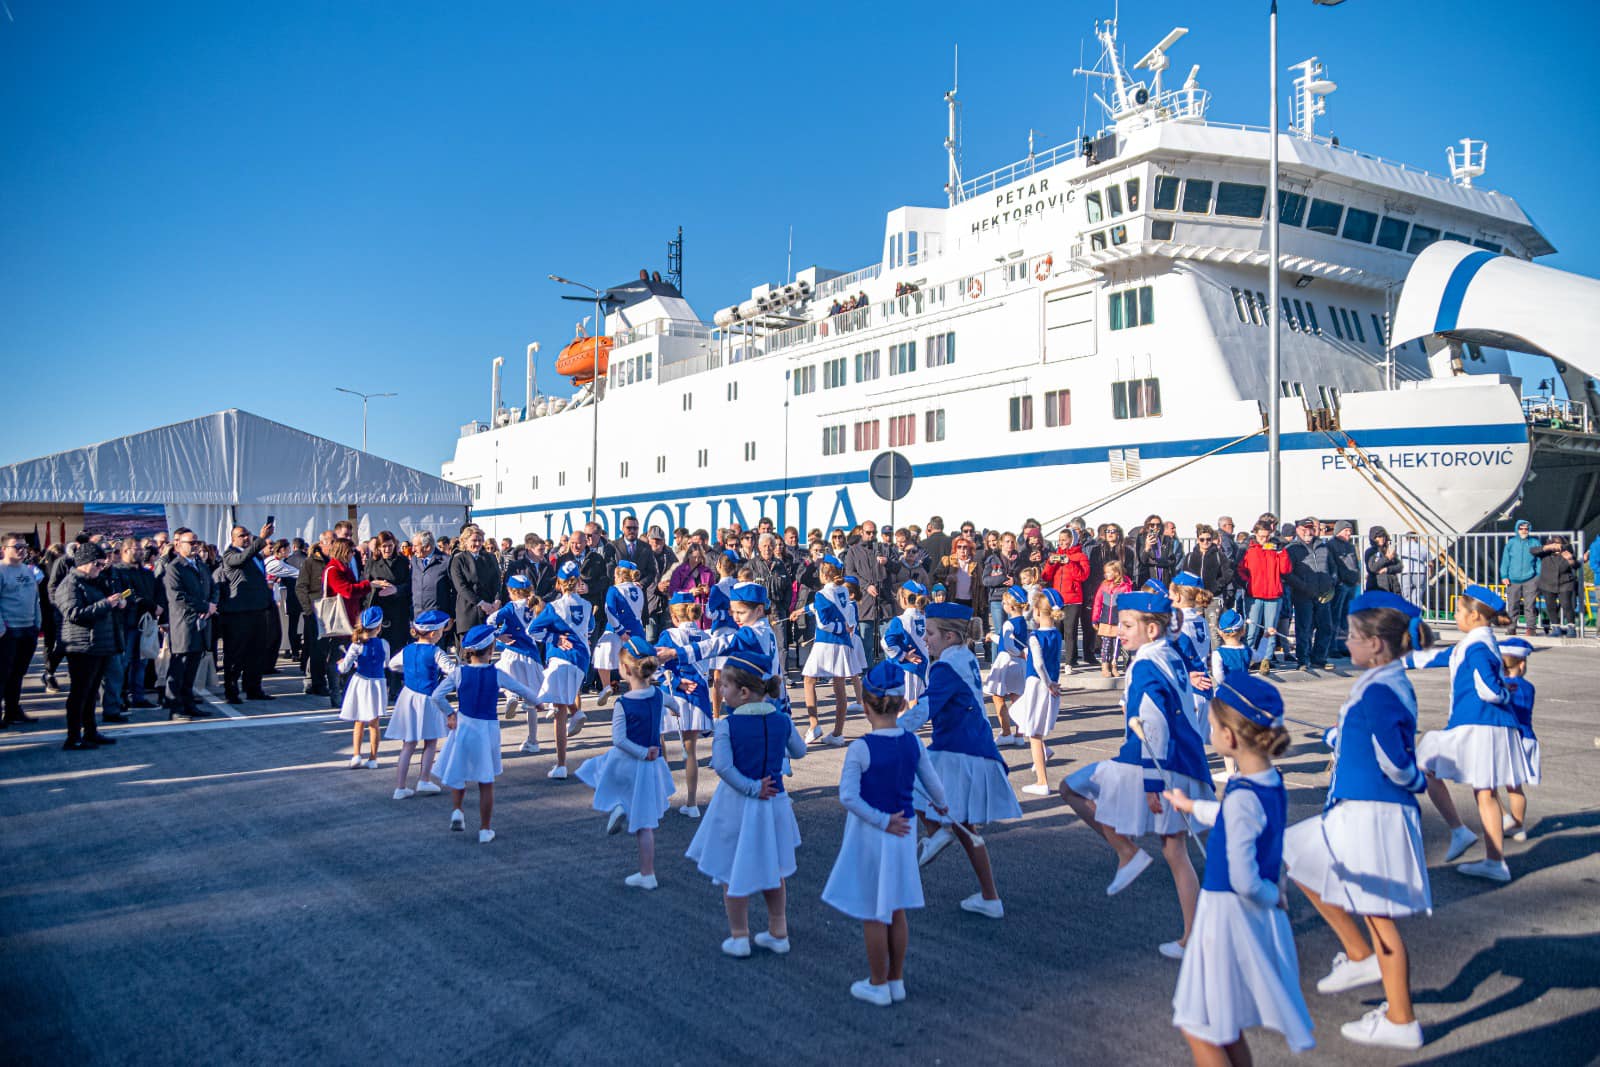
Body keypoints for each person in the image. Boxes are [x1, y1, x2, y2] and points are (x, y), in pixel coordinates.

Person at [1284, 591, 1431, 1052]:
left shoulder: (1382, 687)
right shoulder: (1382, 680)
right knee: (1297, 855)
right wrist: (1337, 735)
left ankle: (1399, 1015)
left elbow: (1394, 756)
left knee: (1378, 916)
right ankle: (1359, 955)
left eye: (1352, 636)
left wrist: (1412, 779)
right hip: (1361, 808)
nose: (1346, 643)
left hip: (1373, 812)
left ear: (1377, 645)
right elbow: (1368, 734)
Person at [1166, 673, 1314, 1062]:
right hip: (1237, 914)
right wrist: (1192, 807)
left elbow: (1245, 879)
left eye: (1213, 727)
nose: (1211, 732)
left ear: (1229, 738)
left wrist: (1272, 896)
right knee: (1223, 1024)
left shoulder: (1245, 794)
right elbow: (1236, 818)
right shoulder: (1267, 782)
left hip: (1227, 916)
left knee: (1200, 1025)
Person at [1059, 590, 1213, 958]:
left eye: (1127, 625)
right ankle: (1195, 935)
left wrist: (1153, 783)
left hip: (1151, 762)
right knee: (1178, 850)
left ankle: (1126, 851)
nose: (1119, 631)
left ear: (1154, 629)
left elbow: (1154, 725)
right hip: (1186, 759)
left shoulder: (1144, 664)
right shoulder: (1170, 654)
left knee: (1071, 788)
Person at [821, 660, 949, 1007]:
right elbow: (933, 784)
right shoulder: (912, 743)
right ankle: (896, 980)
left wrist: (880, 819)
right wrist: (942, 806)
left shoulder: (860, 748)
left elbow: (848, 796)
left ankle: (878, 982)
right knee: (896, 907)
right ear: (903, 704)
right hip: (904, 830)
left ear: (864, 705)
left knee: (874, 911)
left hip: (872, 834)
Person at [683, 636, 807, 958]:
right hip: (775, 802)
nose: (720, 691)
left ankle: (739, 935)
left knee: (730, 869)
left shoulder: (728, 725)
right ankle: (778, 930)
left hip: (739, 803)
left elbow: (722, 766)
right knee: (774, 868)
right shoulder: (781, 718)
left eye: (725, 686)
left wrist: (751, 787)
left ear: (743, 692)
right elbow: (800, 751)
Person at [900, 602, 1019, 918]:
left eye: (930, 633)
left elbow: (927, 707)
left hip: (957, 749)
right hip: (974, 746)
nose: (926, 640)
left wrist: (890, 730)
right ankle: (990, 897)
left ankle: (936, 833)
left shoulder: (945, 666)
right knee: (966, 827)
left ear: (950, 636)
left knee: (905, 776)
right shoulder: (965, 657)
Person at [1410, 584, 1531, 882]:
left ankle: (1459, 830)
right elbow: (1433, 658)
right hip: (1489, 726)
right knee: (1485, 791)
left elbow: (1490, 690)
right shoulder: (1478, 642)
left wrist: (1503, 693)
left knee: (1425, 764)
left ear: (1475, 615)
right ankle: (1494, 860)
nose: (1456, 615)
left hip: (1477, 724)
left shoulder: (1476, 646)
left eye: (1459, 610)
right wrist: (1394, 659)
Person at [576, 637, 676, 890]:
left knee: (599, 769)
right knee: (645, 822)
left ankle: (646, 873)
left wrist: (641, 752)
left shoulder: (624, 703)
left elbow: (619, 739)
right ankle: (645, 869)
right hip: (650, 766)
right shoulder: (658, 695)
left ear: (626, 670)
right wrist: (674, 709)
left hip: (631, 760)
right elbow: (674, 704)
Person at [428, 624, 542, 844]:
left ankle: (458, 810)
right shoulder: (497, 673)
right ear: (491, 650)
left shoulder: (459, 672)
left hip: (463, 726)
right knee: (485, 780)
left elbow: (436, 696)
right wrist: (537, 703)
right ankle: (485, 828)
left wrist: (450, 713)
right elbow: (521, 689)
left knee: (459, 770)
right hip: (486, 729)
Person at [53, 542, 128, 750]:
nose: (100, 567)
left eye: (103, 564)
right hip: (81, 646)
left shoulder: (96, 581)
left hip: (100, 644)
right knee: (80, 693)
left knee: (92, 691)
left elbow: (103, 606)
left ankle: (90, 730)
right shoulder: (70, 584)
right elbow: (73, 613)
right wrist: (106, 604)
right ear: (84, 563)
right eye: (97, 563)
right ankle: (73, 736)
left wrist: (118, 603)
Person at [527, 561, 593, 779]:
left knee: (558, 711)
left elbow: (533, 629)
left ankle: (561, 764)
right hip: (582, 659)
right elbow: (590, 627)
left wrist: (554, 637)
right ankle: (577, 712)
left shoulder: (553, 607)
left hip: (561, 658)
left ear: (559, 583)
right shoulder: (586, 604)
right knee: (564, 699)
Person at [384, 610, 454, 799]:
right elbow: (452, 671)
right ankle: (424, 780)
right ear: (433, 634)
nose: (441, 633)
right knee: (430, 741)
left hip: (408, 696)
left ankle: (400, 787)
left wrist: (408, 670)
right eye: (440, 630)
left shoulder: (407, 649)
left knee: (408, 743)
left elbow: (392, 664)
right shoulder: (436, 651)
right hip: (428, 697)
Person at [658, 592, 713, 818]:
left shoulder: (668, 635)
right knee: (690, 751)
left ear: (673, 615)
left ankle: (660, 796)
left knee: (659, 742)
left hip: (674, 694)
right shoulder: (705, 636)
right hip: (698, 696)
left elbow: (656, 666)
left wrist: (678, 682)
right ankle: (691, 803)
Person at [798, 555, 856, 746]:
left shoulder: (821, 594)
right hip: (843, 644)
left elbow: (823, 623)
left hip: (825, 642)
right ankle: (838, 733)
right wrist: (802, 610)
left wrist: (840, 628)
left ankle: (814, 724)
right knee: (839, 687)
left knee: (808, 680)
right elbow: (830, 608)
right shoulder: (844, 591)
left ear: (824, 574)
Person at [217, 522, 276, 704]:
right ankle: (231, 690)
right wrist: (261, 538)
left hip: (258, 610)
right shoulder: (230, 554)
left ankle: (253, 688)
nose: (245, 538)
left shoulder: (256, 557)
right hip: (238, 613)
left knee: (256, 651)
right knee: (235, 653)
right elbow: (241, 559)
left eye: (247, 535)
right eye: (241, 535)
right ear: (233, 538)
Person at [1015, 590, 1065, 797]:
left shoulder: (1035, 637)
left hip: (1038, 684)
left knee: (1033, 732)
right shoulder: (1056, 634)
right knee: (1017, 713)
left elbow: (1038, 663)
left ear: (1036, 611)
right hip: (1047, 682)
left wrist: (1049, 684)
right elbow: (1053, 659)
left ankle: (1042, 781)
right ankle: (1045, 752)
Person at [162, 528, 217, 719]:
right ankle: (175, 707)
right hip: (184, 623)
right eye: (190, 543)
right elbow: (178, 597)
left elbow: (213, 586)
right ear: (178, 545)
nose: (195, 546)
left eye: (196, 542)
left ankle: (188, 703)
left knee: (192, 666)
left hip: (200, 622)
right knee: (180, 666)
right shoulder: (175, 568)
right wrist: (204, 606)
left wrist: (212, 604)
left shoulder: (200, 565)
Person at [103, 538, 158, 721]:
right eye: (136, 549)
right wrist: (148, 604)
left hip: (145, 622)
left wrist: (157, 607)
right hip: (126, 623)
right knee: (123, 663)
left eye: (141, 549)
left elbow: (155, 591)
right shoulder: (119, 572)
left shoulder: (147, 573)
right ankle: (120, 697)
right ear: (125, 551)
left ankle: (139, 696)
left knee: (141, 661)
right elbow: (127, 594)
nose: (141, 552)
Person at [489, 575, 545, 738]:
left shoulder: (511, 607)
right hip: (531, 656)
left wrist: (498, 635)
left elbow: (490, 620)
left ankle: (511, 696)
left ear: (512, 592)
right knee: (530, 699)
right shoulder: (536, 605)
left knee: (502, 677)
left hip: (512, 651)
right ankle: (533, 740)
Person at [336, 606, 390, 769]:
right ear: (379, 627)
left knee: (359, 721)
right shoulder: (384, 643)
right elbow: (386, 663)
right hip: (377, 683)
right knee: (374, 723)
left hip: (360, 683)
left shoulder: (356, 645)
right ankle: (373, 758)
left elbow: (344, 667)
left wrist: (341, 664)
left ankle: (356, 755)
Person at [1236, 522, 1291, 674]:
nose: (1264, 540)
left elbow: (1285, 569)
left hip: (1273, 594)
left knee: (1270, 629)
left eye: (1267, 537)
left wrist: (1281, 552)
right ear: (1255, 534)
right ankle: (1246, 660)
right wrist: (1247, 583)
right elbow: (1240, 569)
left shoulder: (1273, 548)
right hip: (1254, 595)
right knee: (1252, 630)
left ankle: (1266, 660)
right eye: (1261, 536)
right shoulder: (1249, 549)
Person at [0, 533, 43, 726]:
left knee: (18, 674)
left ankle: (12, 710)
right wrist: (2, 629)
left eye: (24, 546)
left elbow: (35, 599)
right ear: (3, 550)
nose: (21, 550)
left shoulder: (27, 570)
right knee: (3, 674)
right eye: (16, 546)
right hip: (9, 630)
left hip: (28, 629)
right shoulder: (1, 570)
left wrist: (37, 623)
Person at [1497, 637, 1538, 839]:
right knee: (1515, 787)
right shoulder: (1529, 687)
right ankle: (1518, 825)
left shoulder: (1500, 687)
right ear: (1521, 665)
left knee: (1487, 784)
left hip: (1509, 739)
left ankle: (1506, 818)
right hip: (1527, 737)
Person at [593, 560, 648, 704]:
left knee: (601, 657)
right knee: (633, 666)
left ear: (619, 574)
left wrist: (620, 630)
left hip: (616, 631)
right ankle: (634, 694)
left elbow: (609, 611)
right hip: (636, 632)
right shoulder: (639, 589)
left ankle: (606, 686)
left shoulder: (614, 590)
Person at [1285, 517, 1336, 671]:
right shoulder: (1291, 549)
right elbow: (1288, 573)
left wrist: (1331, 583)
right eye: (1304, 529)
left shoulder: (1323, 547)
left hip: (1323, 594)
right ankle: (1303, 660)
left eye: (1310, 529)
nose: (1308, 532)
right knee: (1304, 628)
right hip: (1303, 594)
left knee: (1325, 627)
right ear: (1298, 531)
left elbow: (1333, 568)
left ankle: (1319, 658)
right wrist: (1304, 587)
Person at [983, 587, 1028, 744]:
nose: (1002, 605)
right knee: (1017, 698)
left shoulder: (1009, 623)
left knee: (998, 696)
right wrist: (994, 637)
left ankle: (1006, 732)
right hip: (1019, 664)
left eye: (1004, 602)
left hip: (1007, 662)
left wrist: (1016, 653)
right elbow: (1008, 641)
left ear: (1011, 605)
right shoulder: (1023, 621)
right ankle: (1020, 735)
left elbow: (1008, 645)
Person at [844, 521, 890, 668]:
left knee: (889, 641)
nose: (872, 536)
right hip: (865, 602)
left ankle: (891, 671)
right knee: (866, 642)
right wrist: (865, 586)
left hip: (884, 602)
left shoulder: (883, 548)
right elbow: (850, 573)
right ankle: (866, 672)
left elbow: (897, 568)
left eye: (874, 533)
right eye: (868, 533)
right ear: (861, 533)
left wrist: (887, 562)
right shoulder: (853, 551)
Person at [1043, 530, 1089, 668]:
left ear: (1072, 540)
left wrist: (1069, 562)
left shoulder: (1080, 556)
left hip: (1073, 598)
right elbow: (1046, 577)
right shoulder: (1056, 555)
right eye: (1060, 540)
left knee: (1070, 630)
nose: (1061, 542)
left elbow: (1083, 576)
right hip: (1057, 598)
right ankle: (1057, 659)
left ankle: (1070, 661)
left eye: (1064, 540)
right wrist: (1050, 563)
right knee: (1056, 630)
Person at [879, 581, 929, 705]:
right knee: (915, 700)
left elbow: (886, 642)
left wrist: (903, 655)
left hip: (906, 667)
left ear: (904, 600)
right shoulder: (927, 619)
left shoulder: (900, 620)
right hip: (923, 665)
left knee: (905, 704)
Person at [448, 524, 502, 635]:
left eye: (480, 540)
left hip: (490, 609)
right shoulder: (458, 560)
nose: (477, 544)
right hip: (468, 610)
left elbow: (496, 581)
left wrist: (497, 601)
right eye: (474, 540)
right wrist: (481, 603)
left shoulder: (490, 558)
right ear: (465, 541)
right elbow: (461, 587)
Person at [408, 531, 455, 646]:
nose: (412, 549)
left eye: (415, 546)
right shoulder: (414, 561)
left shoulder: (446, 561)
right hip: (418, 618)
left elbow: (454, 591)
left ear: (427, 546)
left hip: (437, 620)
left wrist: (451, 616)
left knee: (436, 658)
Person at [1091, 560, 1132, 678]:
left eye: (1109, 572)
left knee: (1116, 645)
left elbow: (1128, 604)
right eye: (1105, 572)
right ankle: (1105, 666)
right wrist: (1095, 618)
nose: (1106, 575)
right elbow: (1097, 602)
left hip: (1118, 621)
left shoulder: (1125, 587)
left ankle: (1114, 665)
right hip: (1105, 621)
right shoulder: (1103, 586)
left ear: (1117, 573)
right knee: (1106, 644)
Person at [1532, 535, 1579, 637]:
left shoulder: (1567, 552)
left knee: (1567, 605)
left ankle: (1571, 628)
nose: (1557, 546)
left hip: (1565, 582)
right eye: (1555, 544)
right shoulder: (1545, 553)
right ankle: (1556, 628)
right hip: (1547, 583)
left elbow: (1576, 566)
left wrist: (1570, 559)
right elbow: (1532, 551)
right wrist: (1547, 548)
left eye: (1559, 543)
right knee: (1550, 606)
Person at [1499, 520, 1540, 636]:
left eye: (1526, 528)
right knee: (1512, 605)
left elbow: (1539, 561)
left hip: (1530, 579)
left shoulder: (1535, 543)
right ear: (1517, 529)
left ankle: (1531, 628)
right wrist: (1504, 575)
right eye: (1521, 528)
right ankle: (1511, 627)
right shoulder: (1511, 543)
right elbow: (1505, 560)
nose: (1524, 531)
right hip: (1513, 579)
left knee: (1530, 605)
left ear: (1529, 530)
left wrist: (1538, 576)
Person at [1328, 521, 1363, 654]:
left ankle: (1343, 645)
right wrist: (1339, 580)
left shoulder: (1350, 546)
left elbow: (1355, 563)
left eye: (1350, 530)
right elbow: (1334, 565)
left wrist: (1356, 578)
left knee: (1346, 617)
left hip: (1351, 585)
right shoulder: (1332, 545)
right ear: (1338, 531)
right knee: (1335, 616)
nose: (1349, 533)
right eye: (1346, 530)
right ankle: (1333, 646)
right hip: (1341, 585)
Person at [1137, 515, 1182, 588]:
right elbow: (1143, 560)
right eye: (1152, 525)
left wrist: (1155, 561)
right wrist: (1147, 547)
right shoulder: (1141, 539)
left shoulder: (1167, 539)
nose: (1155, 527)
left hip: (1165, 578)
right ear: (1147, 526)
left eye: (1158, 525)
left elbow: (1172, 560)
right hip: (1149, 578)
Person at [1363, 526, 1402, 594]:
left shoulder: (1388, 550)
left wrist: (1387, 569)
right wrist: (1386, 558)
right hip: (1377, 587)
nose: (1382, 539)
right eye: (1379, 537)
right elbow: (1372, 568)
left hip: (1393, 587)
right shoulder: (1370, 552)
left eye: (1383, 536)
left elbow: (1399, 567)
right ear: (1374, 538)